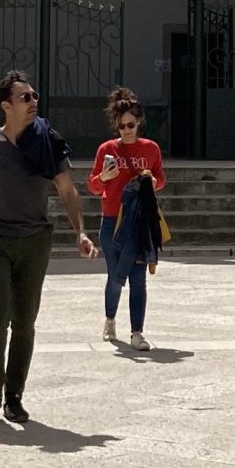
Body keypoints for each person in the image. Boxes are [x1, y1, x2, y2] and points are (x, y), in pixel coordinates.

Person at [0, 70, 97, 427]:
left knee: (24, 322)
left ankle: (14, 396)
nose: (34, 101)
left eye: (34, 96)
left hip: (35, 241)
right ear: (7, 105)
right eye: (25, 97)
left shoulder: (46, 143)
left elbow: (67, 191)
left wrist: (80, 232)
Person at [88, 88, 167, 349]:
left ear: (139, 122)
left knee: (138, 278)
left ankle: (137, 332)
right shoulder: (106, 150)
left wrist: (153, 182)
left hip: (140, 222)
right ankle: (110, 319)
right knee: (115, 275)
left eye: (131, 124)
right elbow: (93, 186)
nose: (126, 130)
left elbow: (161, 178)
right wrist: (104, 178)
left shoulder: (151, 149)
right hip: (112, 220)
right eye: (121, 126)